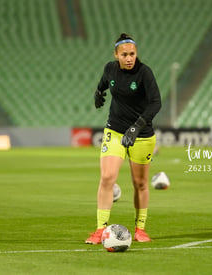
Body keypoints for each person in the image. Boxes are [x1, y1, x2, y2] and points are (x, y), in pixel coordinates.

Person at [85, 33, 161, 244]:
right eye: (125, 54)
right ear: (116, 55)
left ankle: (140, 229)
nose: (129, 58)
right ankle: (100, 230)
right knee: (108, 177)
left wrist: (137, 127)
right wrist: (98, 92)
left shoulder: (145, 73)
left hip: (142, 135)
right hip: (116, 131)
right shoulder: (110, 69)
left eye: (133, 54)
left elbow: (156, 103)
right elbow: (103, 83)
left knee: (140, 183)